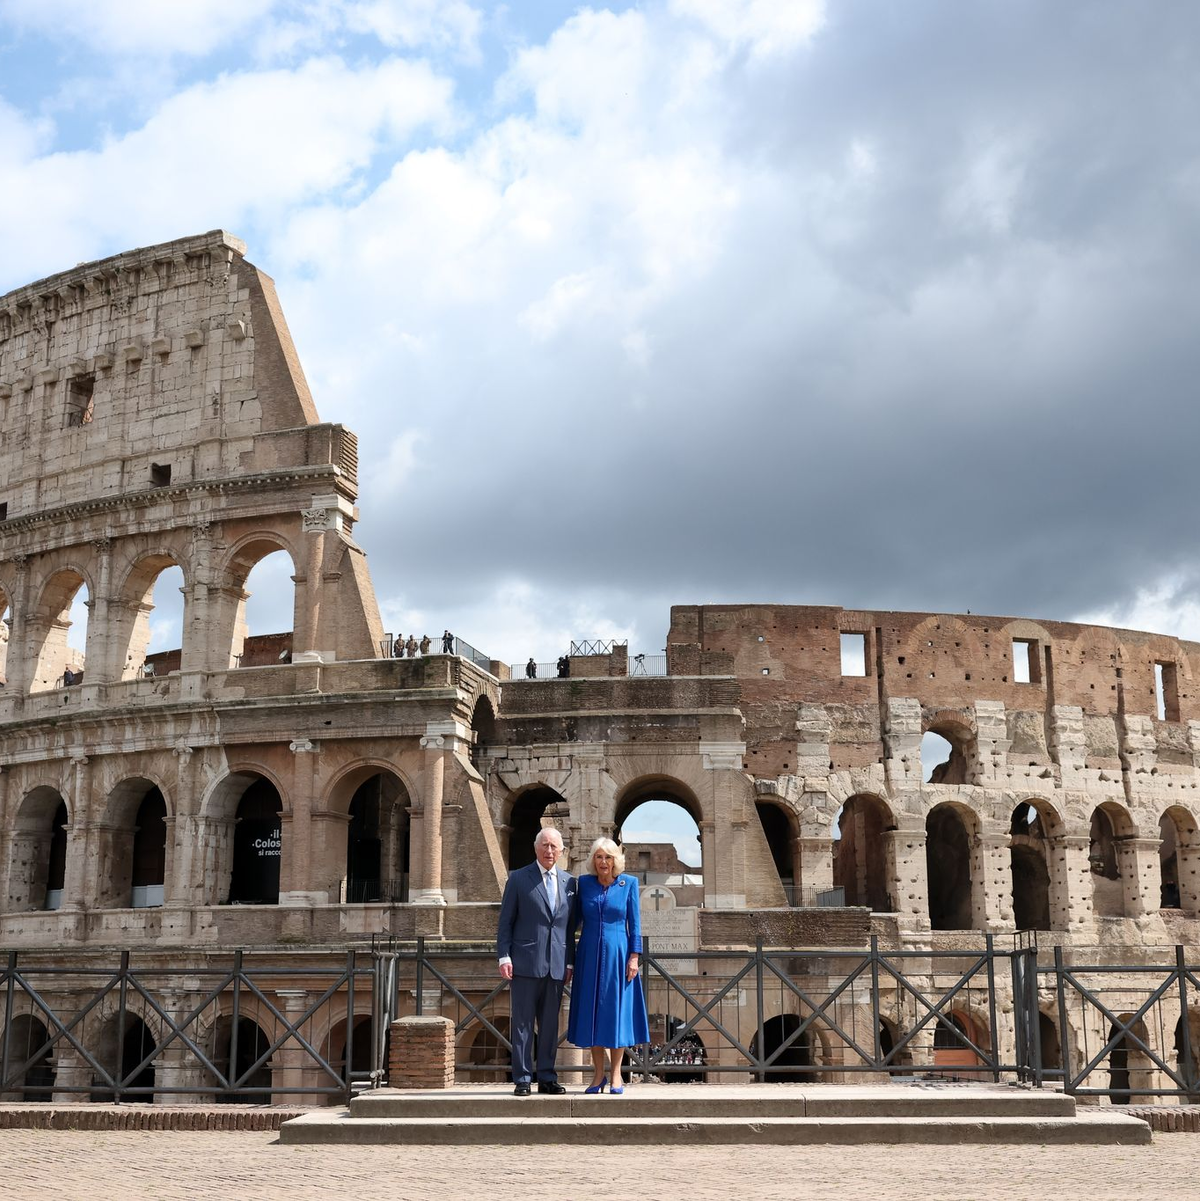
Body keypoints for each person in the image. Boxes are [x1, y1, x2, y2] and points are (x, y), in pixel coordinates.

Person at [496, 827, 576, 1096]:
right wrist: (504, 955)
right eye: (545, 845)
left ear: (562, 851)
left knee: (550, 1026)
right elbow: (505, 922)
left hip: (556, 966)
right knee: (522, 1024)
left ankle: (547, 1077)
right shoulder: (518, 879)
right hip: (525, 963)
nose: (549, 850)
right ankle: (522, 1078)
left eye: (554, 846)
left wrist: (569, 963)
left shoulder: (569, 883)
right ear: (536, 848)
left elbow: (569, 928)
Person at [568, 837, 649, 1094]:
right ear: (593, 860)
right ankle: (598, 1075)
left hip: (619, 954)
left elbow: (635, 925)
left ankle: (616, 1076)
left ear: (616, 860)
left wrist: (634, 957)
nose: (603, 862)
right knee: (592, 1014)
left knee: (616, 1014)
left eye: (608, 857)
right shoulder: (585, 884)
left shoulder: (629, 884)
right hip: (589, 954)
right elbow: (572, 921)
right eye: (599, 857)